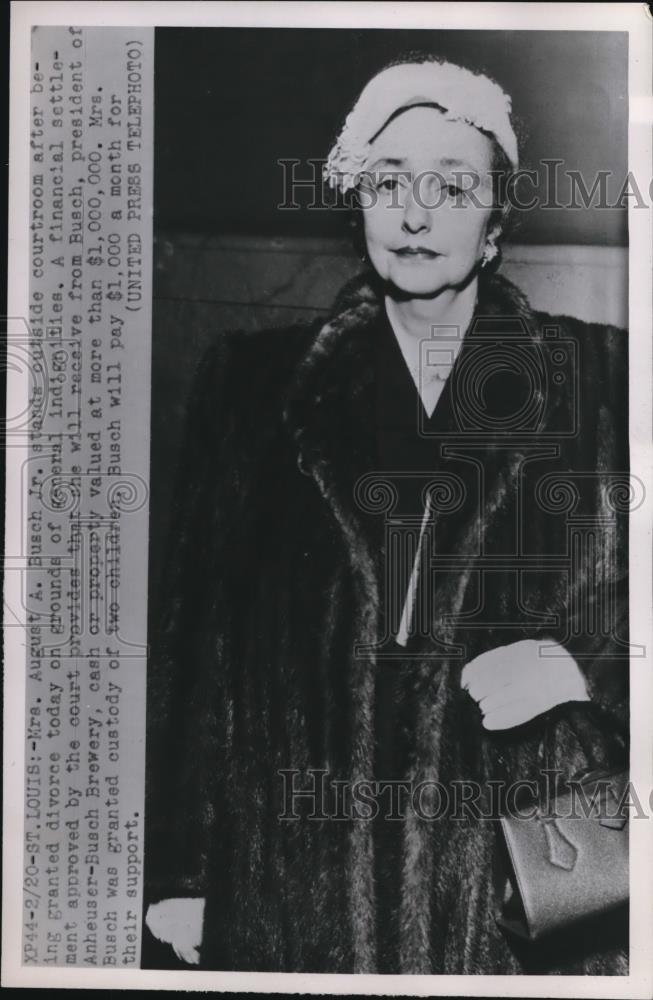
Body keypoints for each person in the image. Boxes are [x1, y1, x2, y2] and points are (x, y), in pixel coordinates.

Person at [144, 56, 629, 974]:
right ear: (355, 204)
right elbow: (195, 644)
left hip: (513, 897)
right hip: (294, 883)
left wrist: (586, 669)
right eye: (387, 181)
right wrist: (183, 871)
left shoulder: (602, 382)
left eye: (451, 186)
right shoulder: (250, 389)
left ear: (494, 225)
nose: (414, 213)